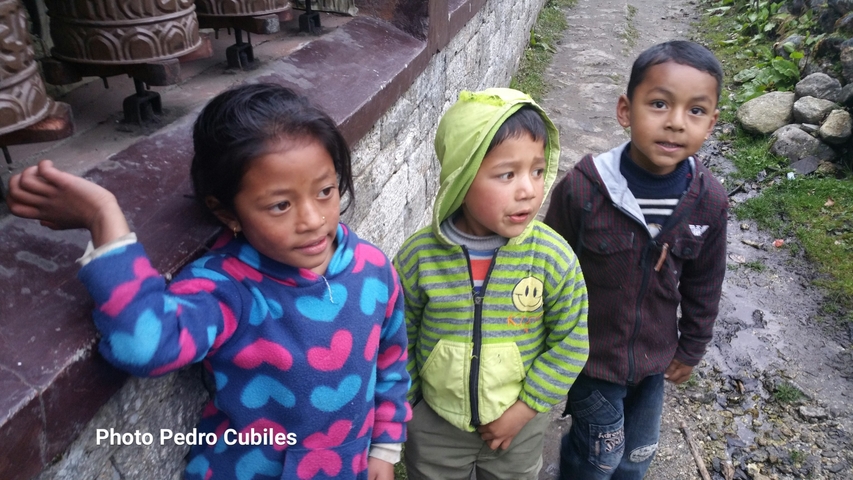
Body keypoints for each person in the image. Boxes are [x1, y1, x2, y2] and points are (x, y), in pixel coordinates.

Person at [6, 83, 411, 480]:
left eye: (325, 191)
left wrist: (384, 447)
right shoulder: (228, 289)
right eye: (280, 205)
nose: (312, 219)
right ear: (226, 213)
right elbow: (145, 345)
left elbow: (390, 361)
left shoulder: (372, 269)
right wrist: (103, 220)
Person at [543, 40, 728, 479]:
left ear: (712, 123)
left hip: (655, 361)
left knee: (636, 457)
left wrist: (692, 346)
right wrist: (541, 339)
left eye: (696, 111)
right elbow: (547, 265)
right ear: (626, 111)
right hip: (592, 356)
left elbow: (705, 282)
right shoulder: (585, 188)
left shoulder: (708, 201)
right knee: (595, 458)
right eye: (660, 104)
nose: (676, 123)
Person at [393, 87, 589, 480]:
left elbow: (571, 341)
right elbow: (400, 335)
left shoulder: (552, 257)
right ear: (461, 179)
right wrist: (409, 403)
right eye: (507, 174)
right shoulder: (419, 257)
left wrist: (526, 409)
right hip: (435, 425)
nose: (529, 190)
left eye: (537, 170)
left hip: (519, 424)